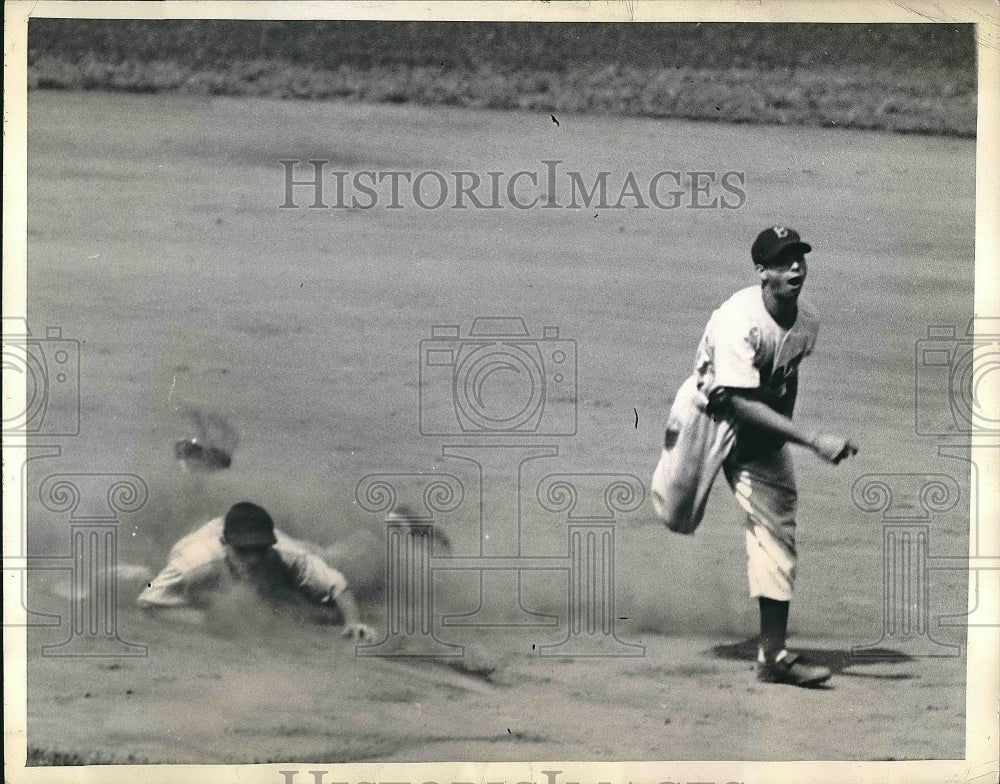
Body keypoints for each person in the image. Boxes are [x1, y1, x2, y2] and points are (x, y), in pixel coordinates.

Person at [651, 225, 858, 688]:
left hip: (761, 424)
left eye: (800, 258)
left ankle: (773, 653)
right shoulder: (737, 319)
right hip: (708, 415)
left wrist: (784, 431)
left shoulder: (808, 322)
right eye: (784, 261)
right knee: (676, 516)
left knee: (777, 524)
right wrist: (810, 438)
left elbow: (786, 377)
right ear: (762, 272)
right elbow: (738, 402)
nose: (796, 268)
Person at [138, 501, 376, 641]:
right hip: (197, 564)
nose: (253, 559)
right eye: (244, 550)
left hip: (294, 554)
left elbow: (338, 584)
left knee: (331, 560)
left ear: (270, 544)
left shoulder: (285, 552)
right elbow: (148, 599)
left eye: (260, 549)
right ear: (226, 543)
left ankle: (379, 535)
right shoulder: (197, 561)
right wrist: (205, 620)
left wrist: (353, 622)